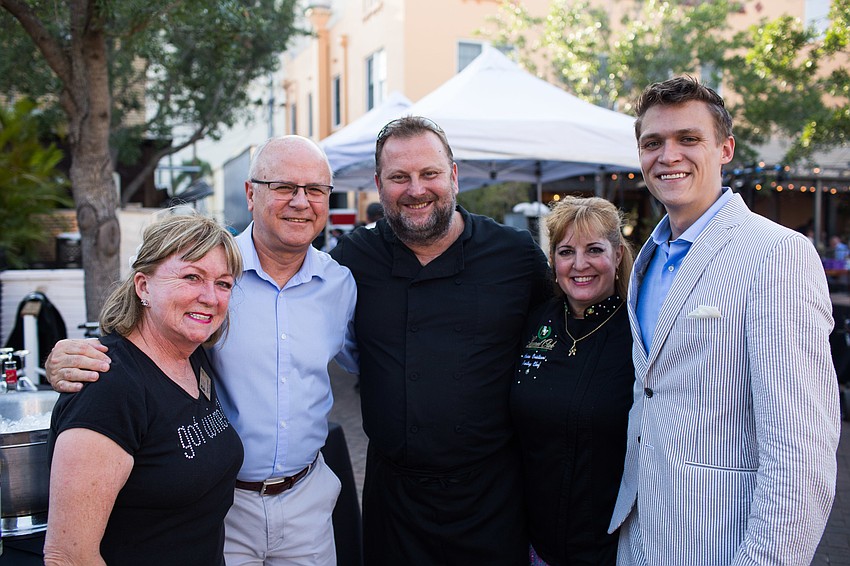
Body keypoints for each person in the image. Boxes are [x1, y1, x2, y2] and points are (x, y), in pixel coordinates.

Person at [45, 136, 358, 565]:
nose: (301, 202)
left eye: (315, 190)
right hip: (221, 504)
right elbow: (138, 340)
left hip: (308, 499)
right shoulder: (216, 264)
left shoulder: (341, 285)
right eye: (284, 187)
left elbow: (371, 360)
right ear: (251, 193)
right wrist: (63, 358)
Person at [608, 76, 840, 565]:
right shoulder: (646, 259)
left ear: (725, 149)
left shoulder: (777, 255)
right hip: (640, 539)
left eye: (688, 139)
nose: (668, 155)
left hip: (722, 544)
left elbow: (801, 453)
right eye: (653, 143)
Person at [330, 116, 551, 564]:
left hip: (491, 500)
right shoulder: (352, 258)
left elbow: (559, 335)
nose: (416, 189)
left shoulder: (514, 254)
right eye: (399, 177)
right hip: (393, 501)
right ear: (378, 184)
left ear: (453, 175)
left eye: (429, 173)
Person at [44, 213, 244, 565]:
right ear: (143, 286)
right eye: (191, 277)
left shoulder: (192, 359)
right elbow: (68, 557)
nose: (210, 297)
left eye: (224, 283)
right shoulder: (109, 386)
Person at [512, 196, 634, 566]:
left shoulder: (642, 331)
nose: (580, 265)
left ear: (616, 255)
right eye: (566, 252)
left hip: (612, 548)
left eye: (594, 249)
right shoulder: (533, 322)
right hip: (534, 546)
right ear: (553, 262)